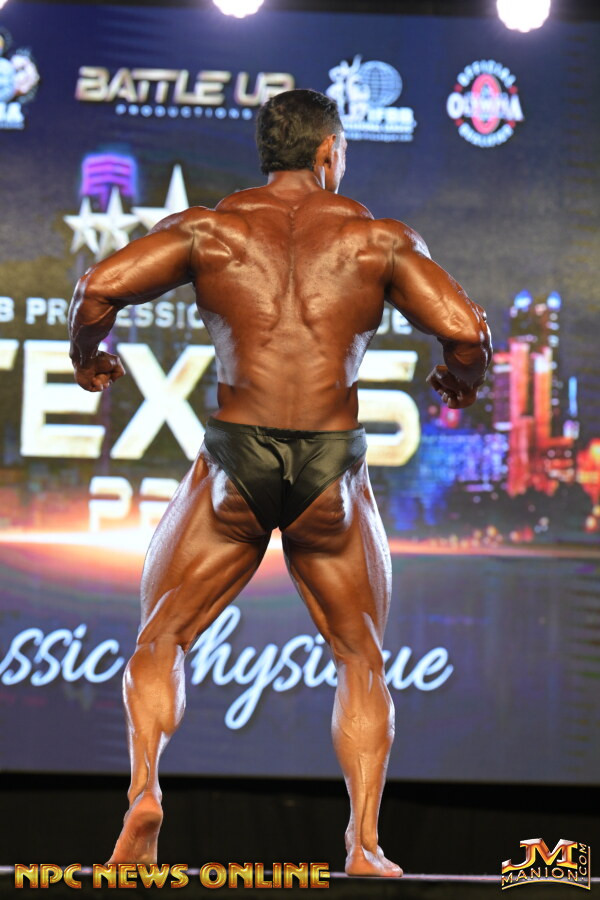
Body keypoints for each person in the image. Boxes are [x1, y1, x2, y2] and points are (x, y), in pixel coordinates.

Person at [68, 88, 492, 877]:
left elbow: (97, 288)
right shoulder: (378, 239)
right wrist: (459, 380)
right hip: (331, 469)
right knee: (360, 654)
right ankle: (363, 844)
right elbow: (468, 331)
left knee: (163, 636)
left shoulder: (211, 230)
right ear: (330, 152)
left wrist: (88, 355)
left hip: (237, 457)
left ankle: (145, 793)